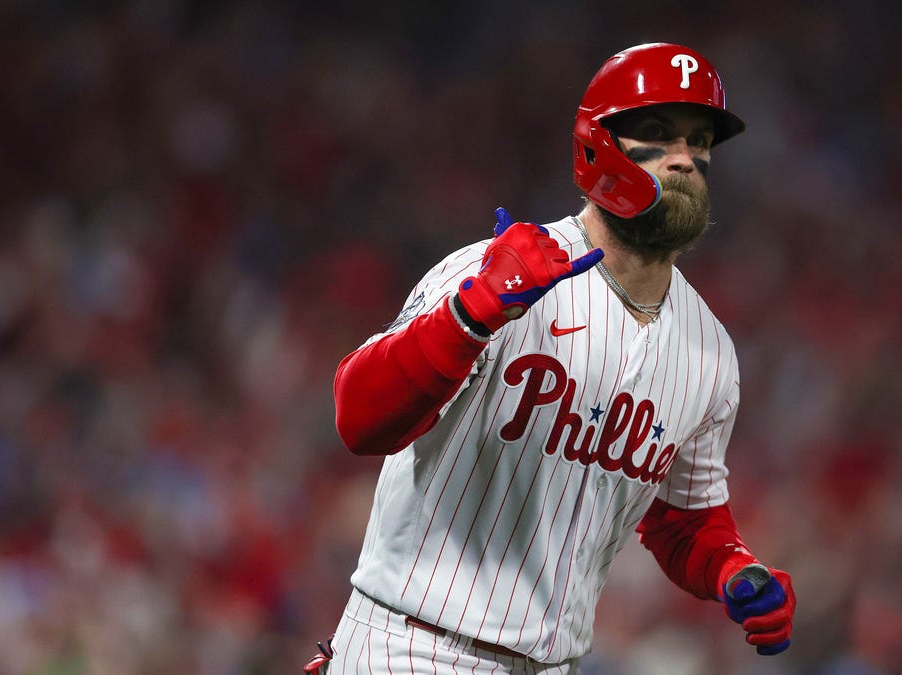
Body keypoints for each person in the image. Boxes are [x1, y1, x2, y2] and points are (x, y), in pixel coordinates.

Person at [310, 42, 796, 674]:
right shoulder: (495, 271)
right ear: (600, 144)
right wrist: (470, 313)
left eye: (698, 140)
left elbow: (682, 519)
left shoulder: (709, 352)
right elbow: (358, 417)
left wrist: (733, 568)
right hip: (413, 644)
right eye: (656, 133)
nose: (684, 158)